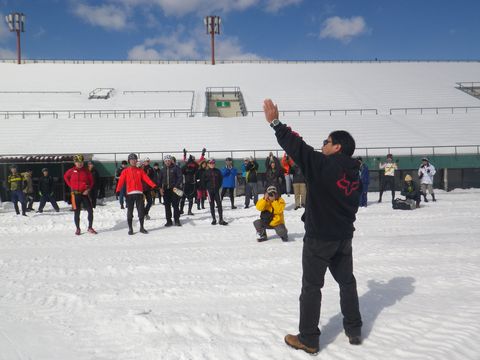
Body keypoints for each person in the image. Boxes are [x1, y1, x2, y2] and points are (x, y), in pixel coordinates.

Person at [263, 99, 362, 354]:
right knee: (347, 282)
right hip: (343, 238)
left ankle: (308, 338)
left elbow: (298, 148)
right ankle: (353, 328)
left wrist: (275, 123)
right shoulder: (355, 173)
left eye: (326, 142)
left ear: (337, 147)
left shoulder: (323, 164)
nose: (322, 145)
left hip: (320, 239)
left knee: (311, 287)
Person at [116, 153, 157, 235]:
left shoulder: (140, 171)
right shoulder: (125, 171)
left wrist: (154, 185)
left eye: (135, 159)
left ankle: (142, 227)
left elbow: (147, 179)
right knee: (130, 212)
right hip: (129, 194)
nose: (134, 161)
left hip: (139, 193)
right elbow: (121, 181)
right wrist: (118, 190)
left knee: (141, 211)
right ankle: (130, 229)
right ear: (129, 161)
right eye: (132, 160)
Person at [64, 154, 96, 235]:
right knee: (77, 212)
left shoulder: (86, 171)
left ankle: (90, 227)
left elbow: (92, 181)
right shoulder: (71, 171)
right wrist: (71, 185)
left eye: (81, 162)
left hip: (84, 194)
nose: (80, 163)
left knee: (90, 211)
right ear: (75, 162)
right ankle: (78, 229)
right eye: (78, 162)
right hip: (75, 195)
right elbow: (65, 177)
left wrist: (88, 189)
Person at [203, 159, 228, 225]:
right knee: (211, 205)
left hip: (217, 190)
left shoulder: (218, 171)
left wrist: (218, 187)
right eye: (210, 163)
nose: (212, 164)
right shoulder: (206, 172)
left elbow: (221, 180)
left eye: (213, 163)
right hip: (209, 191)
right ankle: (214, 219)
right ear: (208, 164)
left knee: (219, 205)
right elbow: (203, 182)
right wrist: (207, 188)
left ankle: (221, 219)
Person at [160, 155, 183, 226]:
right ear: (164, 161)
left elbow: (180, 177)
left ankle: (177, 220)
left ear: (171, 161)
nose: (167, 162)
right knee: (167, 206)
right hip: (166, 190)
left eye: (168, 160)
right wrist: (160, 188)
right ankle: (168, 221)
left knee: (175, 205)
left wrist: (176, 186)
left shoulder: (176, 168)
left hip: (174, 189)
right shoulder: (162, 169)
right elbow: (159, 180)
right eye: (166, 161)